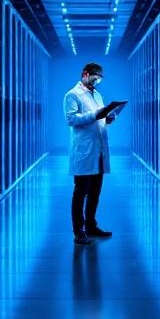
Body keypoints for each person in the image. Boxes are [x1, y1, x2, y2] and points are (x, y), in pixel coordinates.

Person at [63, 62, 119, 245]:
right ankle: (78, 231)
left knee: (95, 191)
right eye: (95, 79)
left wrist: (108, 117)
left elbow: (99, 117)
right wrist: (97, 114)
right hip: (84, 151)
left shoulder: (97, 95)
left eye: (99, 80)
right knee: (81, 192)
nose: (97, 83)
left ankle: (91, 226)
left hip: (98, 150)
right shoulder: (72, 95)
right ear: (85, 74)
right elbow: (71, 119)